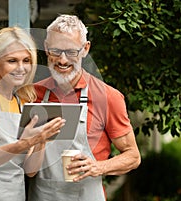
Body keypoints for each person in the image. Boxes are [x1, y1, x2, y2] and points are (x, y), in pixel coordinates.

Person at [27, 14, 141, 201]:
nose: (63, 60)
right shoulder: (33, 94)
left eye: (71, 51)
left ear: (85, 49)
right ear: (46, 48)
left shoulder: (108, 97)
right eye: (56, 51)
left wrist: (98, 167)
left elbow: (133, 156)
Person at [0, 26, 65, 201]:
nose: (21, 68)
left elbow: (31, 170)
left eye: (26, 60)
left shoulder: (22, 100)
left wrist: (41, 139)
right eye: (12, 61)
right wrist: (26, 142)